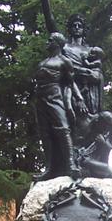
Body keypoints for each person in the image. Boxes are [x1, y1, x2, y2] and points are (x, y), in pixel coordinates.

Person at [34, 32, 87, 180]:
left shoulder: (64, 62)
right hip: (40, 99)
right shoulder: (43, 62)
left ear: (57, 43)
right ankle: (49, 168)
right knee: (45, 133)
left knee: (63, 129)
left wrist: (79, 98)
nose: (47, 42)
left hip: (55, 96)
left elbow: (71, 82)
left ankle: (71, 165)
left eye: (50, 40)